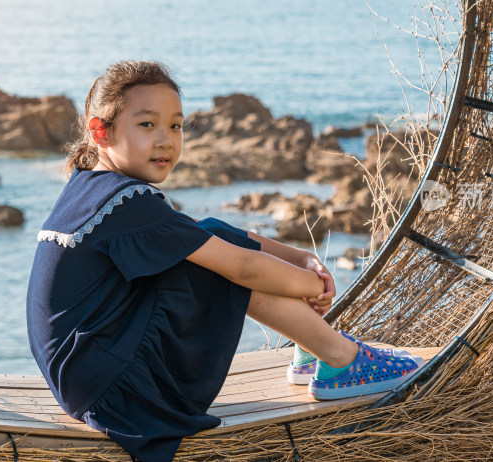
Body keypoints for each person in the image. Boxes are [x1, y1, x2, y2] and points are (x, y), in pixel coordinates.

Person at [26, 61, 422, 462]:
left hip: (87, 379)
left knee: (206, 236)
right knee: (216, 267)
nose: (166, 140)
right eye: (147, 125)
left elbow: (205, 232)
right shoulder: (127, 202)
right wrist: (315, 286)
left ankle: (313, 346)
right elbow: (243, 269)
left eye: (176, 126)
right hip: (117, 391)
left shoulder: (92, 185)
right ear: (100, 131)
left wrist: (302, 258)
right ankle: (340, 358)